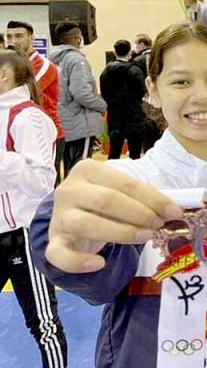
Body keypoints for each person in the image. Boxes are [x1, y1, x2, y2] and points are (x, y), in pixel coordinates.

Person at [28, 22, 207, 367]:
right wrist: (60, 233)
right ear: (153, 89)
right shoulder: (124, 186)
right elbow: (88, 273)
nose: (202, 95)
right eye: (181, 82)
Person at [0, 48, 67, 368]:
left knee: (43, 323)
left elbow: (42, 182)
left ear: (4, 75)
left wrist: (4, 159)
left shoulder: (28, 117)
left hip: (23, 234)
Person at [6, 20, 66, 184]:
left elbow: (21, 95)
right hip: (17, 131)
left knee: (46, 188)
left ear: (31, 38)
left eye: (19, 36)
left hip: (44, 133)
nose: (13, 41)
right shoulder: (10, 66)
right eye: (9, 36)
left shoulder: (44, 65)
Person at [49, 22, 107, 178]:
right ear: (78, 37)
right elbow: (81, 93)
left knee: (68, 171)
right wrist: (102, 106)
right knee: (80, 173)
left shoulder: (53, 59)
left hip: (63, 123)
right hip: (80, 124)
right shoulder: (77, 60)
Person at [99, 39, 145, 159]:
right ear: (129, 52)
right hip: (134, 115)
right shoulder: (135, 70)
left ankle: (111, 171)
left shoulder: (106, 72)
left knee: (114, 152)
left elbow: (104, 93)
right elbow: (142, 91)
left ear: (115, 52)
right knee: (135, 154)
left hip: (115, 115)